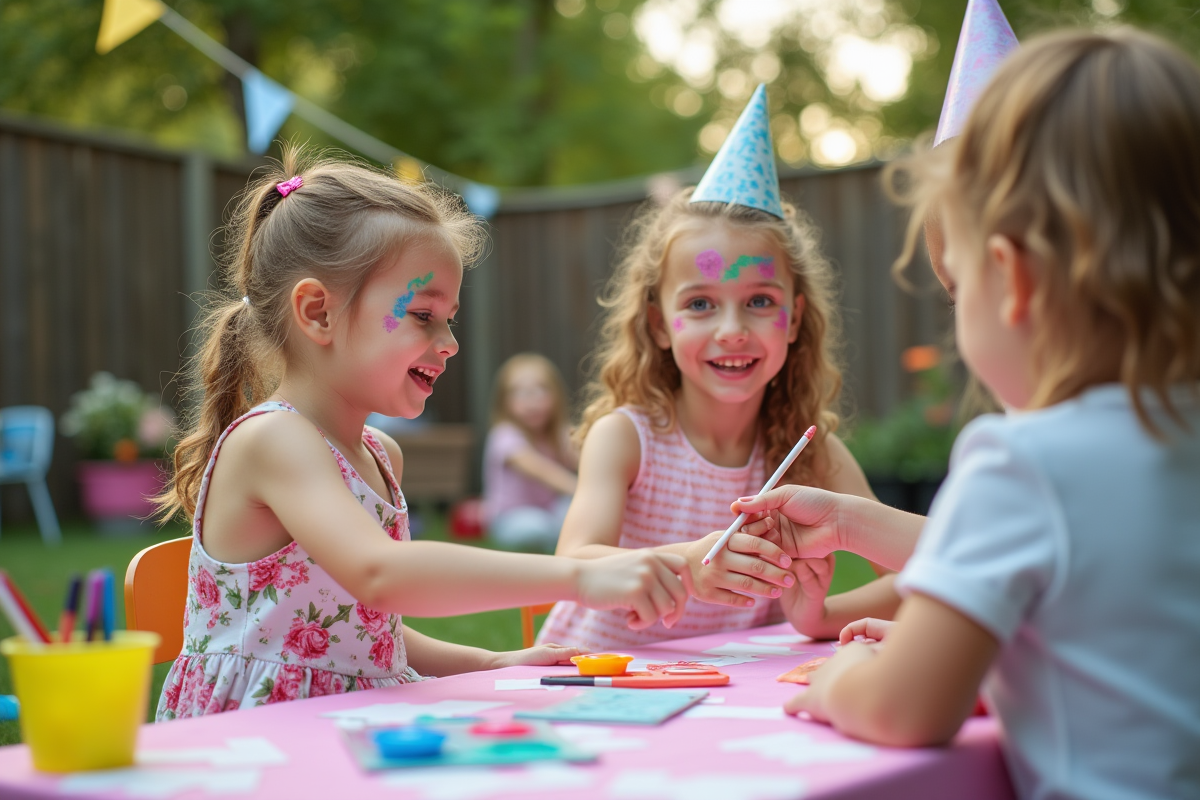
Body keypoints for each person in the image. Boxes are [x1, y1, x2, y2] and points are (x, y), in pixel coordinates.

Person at [748, 29, 1200, 800]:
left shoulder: (1022, 460)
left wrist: (847, 678)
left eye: (956, 291)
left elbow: (903, 712)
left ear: (1010, 276)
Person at [152, 150, 693, 720]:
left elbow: (364, 637)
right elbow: (382, 576)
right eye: (422, 315)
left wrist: (489, 662)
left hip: (346, 723)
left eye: (450, 318)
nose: (450, 341)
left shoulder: (381, 456)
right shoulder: (274, 441)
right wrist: (580, 577)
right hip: (252, 740)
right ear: (318, 313)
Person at [539, 85, 889, 652]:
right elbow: (576, 561)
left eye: (759, 301)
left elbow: (915, 577)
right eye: (700, 304)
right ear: (657, 323)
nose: (731, 329)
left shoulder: (807, 451)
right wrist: (689, 563)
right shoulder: (626, 438)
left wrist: (816, 617)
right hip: (596, 683)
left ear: (795, 318)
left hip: (731, 701)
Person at [483, 353, 578, 552]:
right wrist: (584, 491)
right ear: (504, 401)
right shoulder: (505, 436)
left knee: (573, 513)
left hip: (550, 512)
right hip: (510, 519)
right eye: (521, 393)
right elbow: (543, 471)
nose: (532, 401)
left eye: (540, 390)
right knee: (538, 528)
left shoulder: (558, 435)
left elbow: (586, 458)